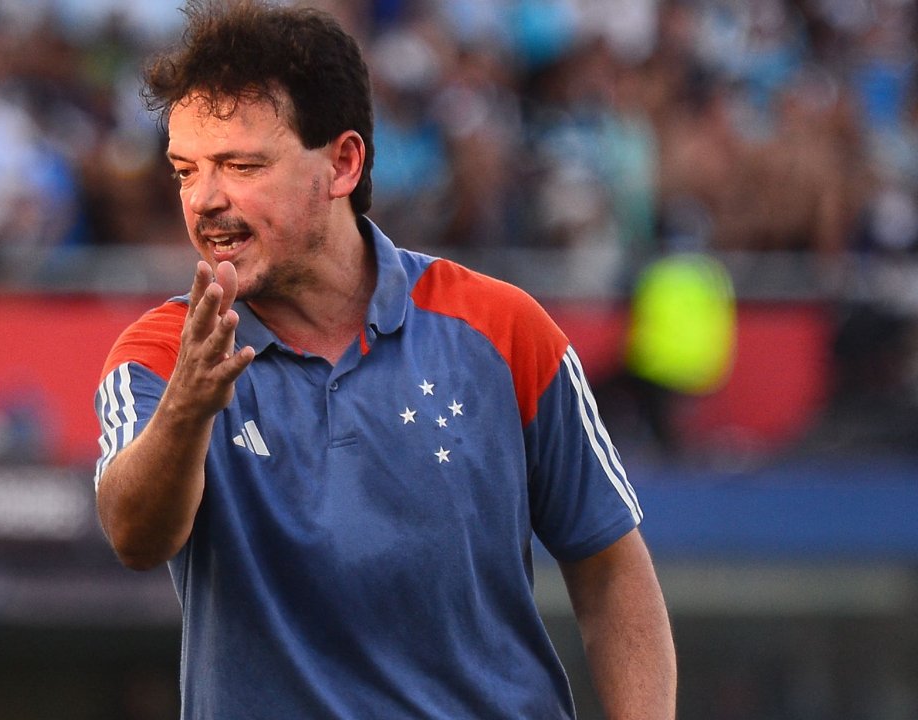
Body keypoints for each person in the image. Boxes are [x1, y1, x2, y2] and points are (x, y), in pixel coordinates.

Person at [93, 2, 676, 717]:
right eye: (186, 170)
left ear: (342, 162)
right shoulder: (160, 356)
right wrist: (187, 408)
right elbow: (134, 536)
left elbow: (612, 568)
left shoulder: (502, 328)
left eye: (241, 165)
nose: (205, 200)